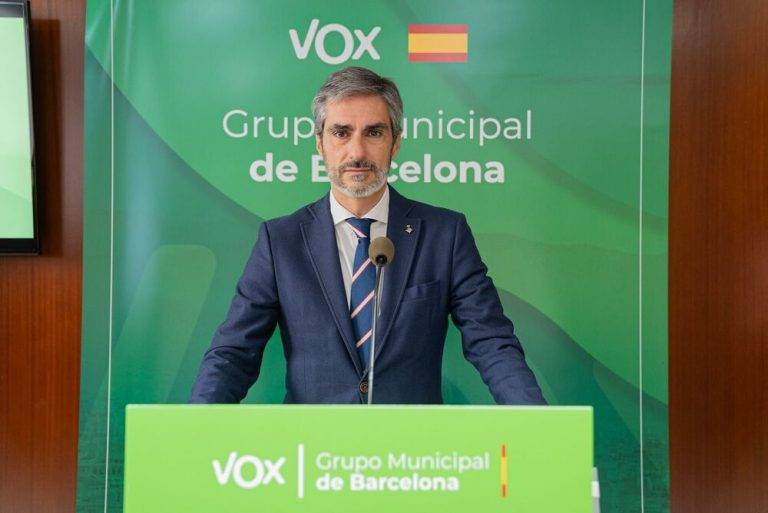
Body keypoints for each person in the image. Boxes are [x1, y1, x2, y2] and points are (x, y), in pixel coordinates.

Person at [190, 67, 546, 405]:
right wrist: (192, 429)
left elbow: (491, 342)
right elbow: (234, 353)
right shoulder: (280, 241)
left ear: (395, 143)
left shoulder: (445, 235)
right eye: (341, 133)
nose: (357, 152)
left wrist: (537, 424)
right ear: (320, 143)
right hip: (310, 445)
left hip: (412, 445)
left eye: (374, 133)